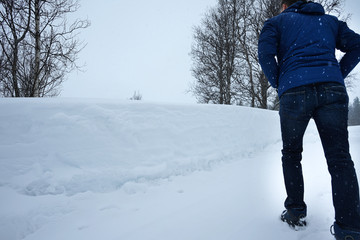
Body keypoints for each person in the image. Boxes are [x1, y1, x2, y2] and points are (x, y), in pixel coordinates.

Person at [258, 0, 360, 239]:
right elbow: (357, 45)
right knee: (340, 159)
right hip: (332, 91)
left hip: (294, 91)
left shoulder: (276, 23)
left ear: (285, 6)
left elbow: (265, 54)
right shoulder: (330, 22)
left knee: (292, 153)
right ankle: (350, 229)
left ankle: (294, 211)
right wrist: (336, 74)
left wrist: (280, 83)